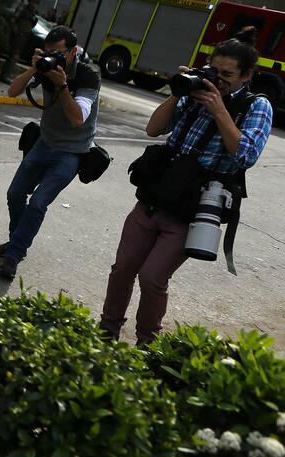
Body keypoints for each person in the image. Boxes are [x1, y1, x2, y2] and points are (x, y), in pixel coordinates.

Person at [99, 27, 272, 345]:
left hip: (192, 209)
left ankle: (146, 342)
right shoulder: (192, 94)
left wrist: (220, 109)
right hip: (156, 195)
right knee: (123, 268)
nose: (218, 79)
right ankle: (107, 329)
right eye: (214, 70)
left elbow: (245, 154)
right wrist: (178, 91)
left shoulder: (256, 106)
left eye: (228, 74)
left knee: (152, 278)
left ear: (246, 76)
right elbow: (153, 129)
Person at [0, 25, 101, 280]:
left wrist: (62, 86)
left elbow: (77, 119)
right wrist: (34, 67)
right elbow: (13, 91)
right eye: (50, 52)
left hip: (72, 150)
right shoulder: (45, 67)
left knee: (38, 202)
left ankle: (14, 255)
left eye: (59, 53)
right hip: (45, 142)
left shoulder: (87, 76)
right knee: (15, 194)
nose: (54, 57)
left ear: (73, 52)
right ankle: (16, 243)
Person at [0, 0, 40, 84]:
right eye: (33, 2)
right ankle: (5, 75)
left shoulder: (33, 12)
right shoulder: (23, 8)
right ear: (29, 1)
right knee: (14, 56)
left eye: (36, 3)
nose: (34, 5)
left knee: (15, 56)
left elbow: (33, 23)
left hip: (24, 36)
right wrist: (16, 31)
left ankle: (5, 74)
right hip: (18, 35)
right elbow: (13, 19)